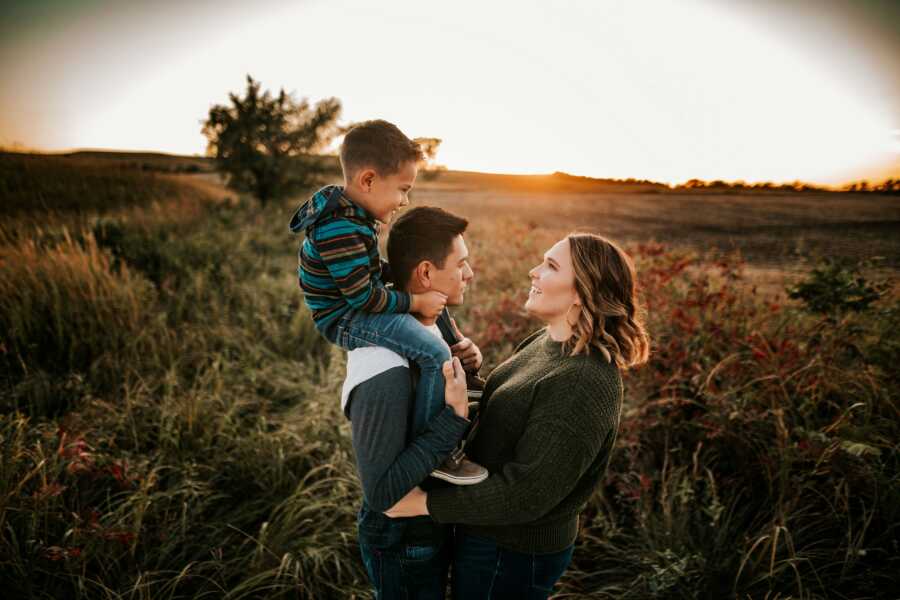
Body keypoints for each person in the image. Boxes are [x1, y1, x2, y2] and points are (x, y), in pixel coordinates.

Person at [386, 233, 651, 599]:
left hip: (512, 550)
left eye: (551, 266)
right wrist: (473, 372)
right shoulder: (548, 342)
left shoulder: (583, 381)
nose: (533, 271)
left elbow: (527, 494)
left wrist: (422, 504)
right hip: (487, 529)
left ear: (582, 292)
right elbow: (515, 411)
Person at [288, 120, 486, 485]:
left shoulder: (352, 214)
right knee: (431, 352)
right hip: (346, 316)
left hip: (352, 303)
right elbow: (362, 295)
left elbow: (363, 270)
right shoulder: (339, 226)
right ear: (367, 181)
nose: (406, 200)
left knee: (425, 297)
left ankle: (464, 372)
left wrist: (411, 288)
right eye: (403, 189)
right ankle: (437, 446)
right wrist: (414, 301)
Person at [343, 207, 485, 598]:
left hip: (433, 523)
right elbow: (383, 493)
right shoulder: (383, 365)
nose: (469, 274)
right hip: (402, 540)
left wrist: (469, 361)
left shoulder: (434, 323)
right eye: (461, 264)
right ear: (425, 274)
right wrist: (454, 417)